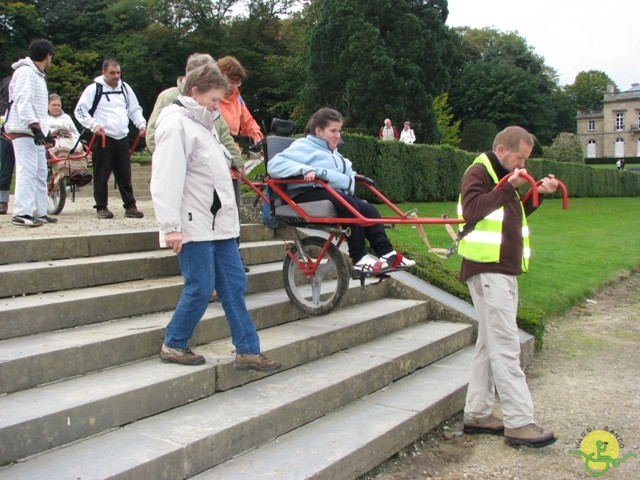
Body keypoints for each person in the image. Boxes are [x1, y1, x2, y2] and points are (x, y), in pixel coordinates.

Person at [150, 62, 281, 372]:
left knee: (233, 284)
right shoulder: (175, 124)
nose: (218, 105)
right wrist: (170, 228)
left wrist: (231, 165)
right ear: (195, 92)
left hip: (218, 224)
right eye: (214, 99)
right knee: (200, 285)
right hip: (193, 223)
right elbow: (165, 178)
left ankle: (248, 350)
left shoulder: (204, 122)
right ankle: (174, 343)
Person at [457, 126, 559, 448]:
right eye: (519, 158)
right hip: (489, 271)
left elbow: (512, 213)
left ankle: (476, 414)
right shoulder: (479, 172)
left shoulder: (501, 174)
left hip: (501, 271)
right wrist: (508, 187)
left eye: (525, 160)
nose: (522, 166)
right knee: (504, 345)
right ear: (502, 150)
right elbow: (472, 211)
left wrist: (537, 192)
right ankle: (519, 422)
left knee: (490, 345)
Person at [267, 107, 415, 273]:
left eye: (339, 130)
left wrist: (353, 176)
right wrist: (304, 169)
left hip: (330, 193)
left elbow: (339, 169)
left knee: (370, 210)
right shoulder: (303, 146)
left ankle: (387, 253)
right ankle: (359, 258)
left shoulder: (332, 151)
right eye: (333, 130)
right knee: (349, 205)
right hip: (305, 194)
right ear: (318, 130)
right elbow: (274, 165)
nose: (338, 135)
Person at [74, 59, 146, 219]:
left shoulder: (125, 88)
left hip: (121, 137)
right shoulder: (94, 89)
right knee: (102, 174)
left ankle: (130, 206)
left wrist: (141, 124)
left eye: (118, 73)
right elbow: (80, 110)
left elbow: (134, 109)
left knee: (125, 174)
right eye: (112, 73)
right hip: (103, 137)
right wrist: (94, 125)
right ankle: (101, 207)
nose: (116, 76)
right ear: (104, 73)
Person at [4, 38, 57, 227]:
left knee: (40, 171)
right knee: (27, 171)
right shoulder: (25, 72)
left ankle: (39, 211)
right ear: (47, 55)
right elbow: (23, 102)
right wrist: (35, 127)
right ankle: (22, 212)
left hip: (33, 131)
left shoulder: (37, 75)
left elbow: (38, 108)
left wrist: (46, 132)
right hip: (22, 130)